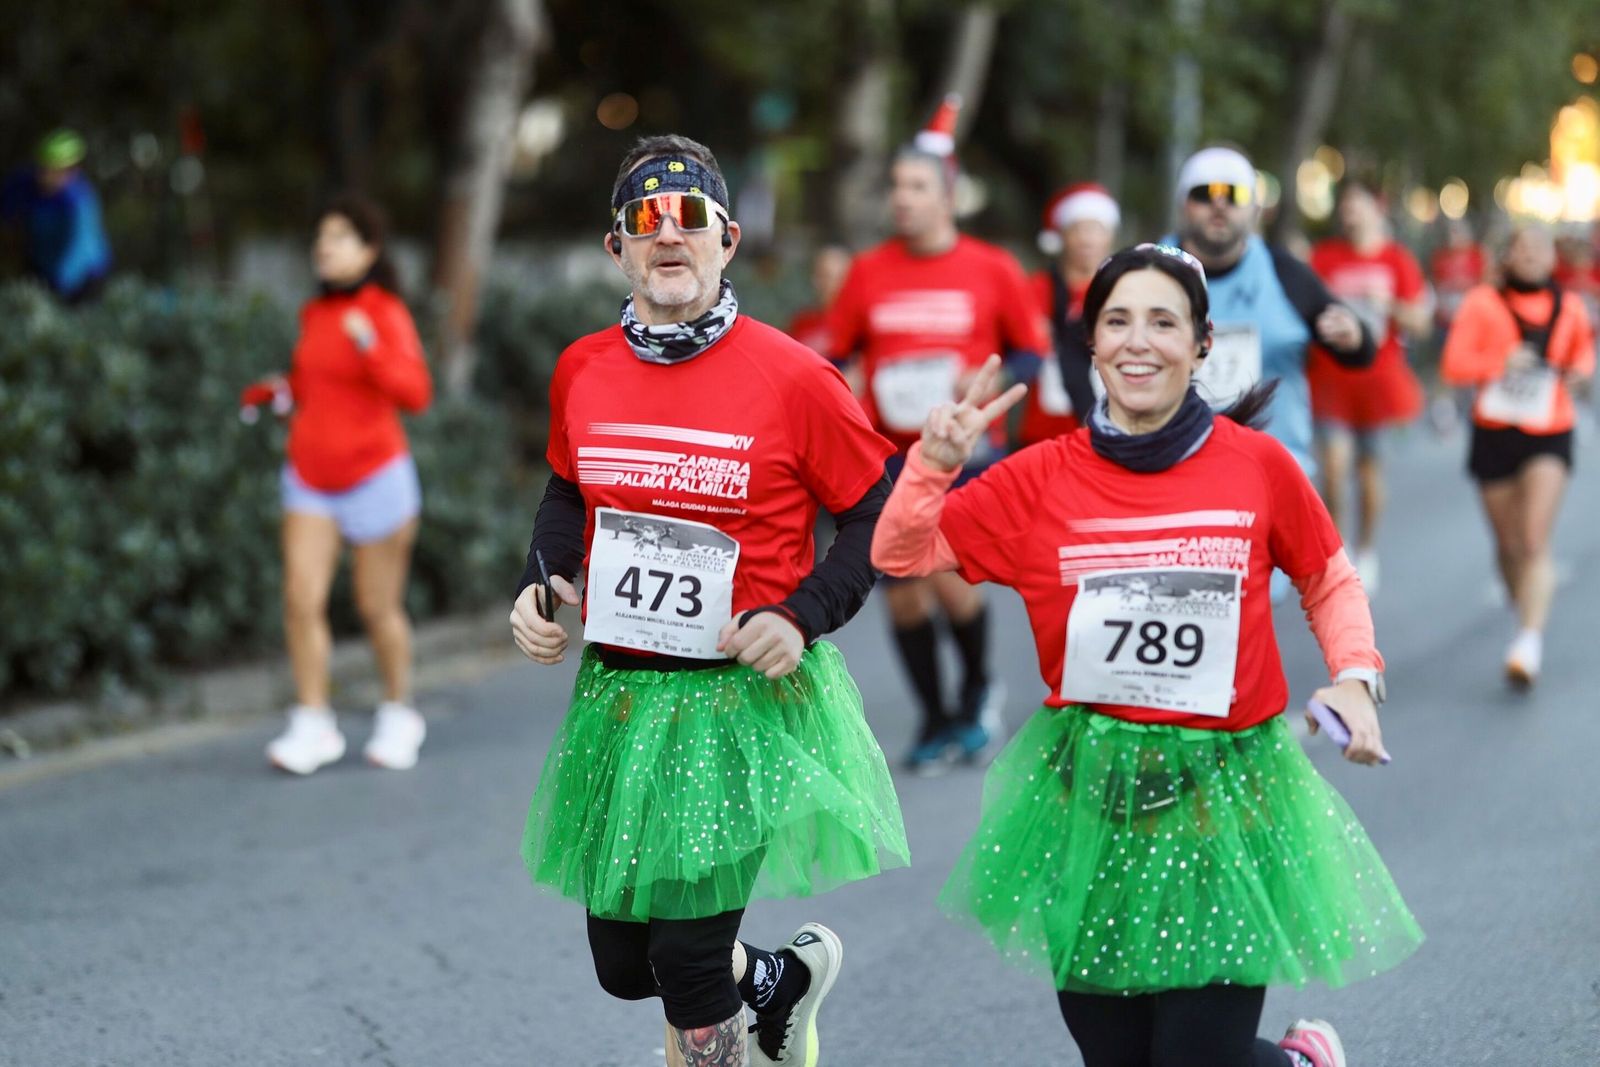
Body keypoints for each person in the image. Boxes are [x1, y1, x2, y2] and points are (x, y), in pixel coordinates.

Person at [872, 244, 1422, 1067]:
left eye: (1164, 321)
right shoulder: (1038, 480)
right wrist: (931, 466)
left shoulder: (1257, 465)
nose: (1138, 341)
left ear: (1202, 344)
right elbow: (902, 555)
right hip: (1091, 801)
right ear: (1090, 343)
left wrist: (1355, 676)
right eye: (1117, 321)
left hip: (1223, 800)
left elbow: (1326, 575)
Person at [510, 134, 908, 1067]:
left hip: (737, 703)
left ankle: (728, 1018)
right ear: (618, 247)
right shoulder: (584, 367)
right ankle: (774, 982)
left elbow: (875, 515)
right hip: (620, 696)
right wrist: (544, 580)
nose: (670, 236)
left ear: (729, 239)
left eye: (692, 218)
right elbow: (568, 491)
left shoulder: (796, 376)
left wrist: (800, 614)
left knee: (687, 967)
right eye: (647, 220)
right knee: (624, 962)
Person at [827, 95, 1049, 772]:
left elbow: (1032, 354)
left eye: (917, 186)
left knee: (950, 578)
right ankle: (936, 716)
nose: (902, 198)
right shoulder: (869, 272)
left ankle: (979, 687)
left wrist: (977, 382)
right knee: (900, 590)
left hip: (968, 453)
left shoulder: (992, 268)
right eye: (896, 186)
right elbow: (835, 357)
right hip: (890, 455)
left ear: (948, 194)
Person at [243, 195, 434, 775]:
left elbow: (416, 395)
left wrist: (370, 346)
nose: (324, 247)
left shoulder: (383, 312)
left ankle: (400, 713)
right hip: (310, 478)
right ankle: (313, 723)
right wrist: (281, 394)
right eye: (321, 237)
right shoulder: (315, 314)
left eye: (340, 237)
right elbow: (312, 386)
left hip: (376, 477)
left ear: (369, 251)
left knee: (377, 608)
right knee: (301, 599)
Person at [1440, 225, 1595, 688]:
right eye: (1520, 248)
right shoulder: (1481, 304)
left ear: (1553, 258)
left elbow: (1583, 356)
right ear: (1506, 257)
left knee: (1532, 539)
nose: (1529, 256)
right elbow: (1453, 365)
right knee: (1507, 545)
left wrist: (1577, 376)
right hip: (1494, 430)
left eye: (1539, 249)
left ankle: (1529, 639)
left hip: (1549, 429)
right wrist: (1498, 365)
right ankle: (1523, 613)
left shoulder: (1568, 306)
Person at [1170, 146, 1375, 474]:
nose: (1219, 204)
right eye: (1203, 193)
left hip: (1275, 477)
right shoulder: (1147, 271)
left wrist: (1354, 336)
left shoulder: (1285, 272)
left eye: (1234, 195)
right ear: (1183, 204)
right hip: (1175, 477)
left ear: (1254, 208)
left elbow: (1359, 351)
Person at [1305, 179, 1431, 593]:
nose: (1351, 213)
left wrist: (1388, 305)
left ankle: (1367, 548)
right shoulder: (1325, 258)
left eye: (1359, 205)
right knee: (1335, 471)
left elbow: (1420, 322)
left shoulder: (1397, 260)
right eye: (1346, 207)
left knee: (1369, 474)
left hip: (1378, 385)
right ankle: (1336, 558)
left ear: (1378, 209)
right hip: (1330, 381)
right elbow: (1307, 309)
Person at [1018, 182, 1119, 447]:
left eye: (1095, 229)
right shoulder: (1037, 288)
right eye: (1077, 229)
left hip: (1107, 425)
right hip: (1042, 429)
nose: (1086, 239)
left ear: (1109, 235)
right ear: (1061, 236)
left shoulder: (1123, 288)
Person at [0, 128, 112, 303]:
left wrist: (58, 285)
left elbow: (77, 247)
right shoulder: (25, 184)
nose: (45, 175)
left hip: (83, 277)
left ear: (71, 170)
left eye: (53, 169)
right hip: (40, 263)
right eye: (42, 167)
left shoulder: (78, 201)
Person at [786, 244, 852, 356]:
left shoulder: (861, 327)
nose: (834, 284)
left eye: (839, 277)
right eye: (824, 276)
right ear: (815, 280)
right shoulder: (802, 323)